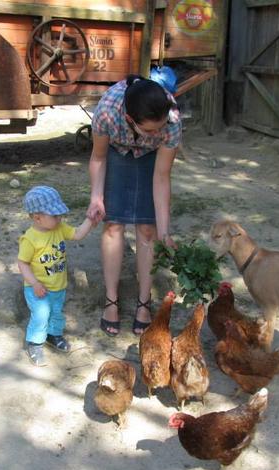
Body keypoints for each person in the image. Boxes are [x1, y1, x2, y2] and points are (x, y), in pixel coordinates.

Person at [86, 75, 181, 337]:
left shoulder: (171, 122)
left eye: (160, 127)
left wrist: (165, 231)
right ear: (130, 119)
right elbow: (98, 157)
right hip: (116, 151)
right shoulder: (107, 113)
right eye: (150, 130)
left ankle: (144, 302)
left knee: (148, 229)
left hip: (150, 155)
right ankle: (111, 300)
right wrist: (96, 197)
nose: (158, 133)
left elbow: (161, 177)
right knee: (113, 225)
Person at [17, 185, 95, 366]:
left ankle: (53, 335)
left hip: (58, 285)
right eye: (55, 215)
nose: (60, 218)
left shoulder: (59, 228)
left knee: (56, 312)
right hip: (38, 288)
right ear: (37, 217)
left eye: (60, 214)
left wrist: (90, 220)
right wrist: (34, 283)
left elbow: (77, 234)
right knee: (41, 314)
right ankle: (35, 343)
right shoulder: (30, 239)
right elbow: (22, 263)